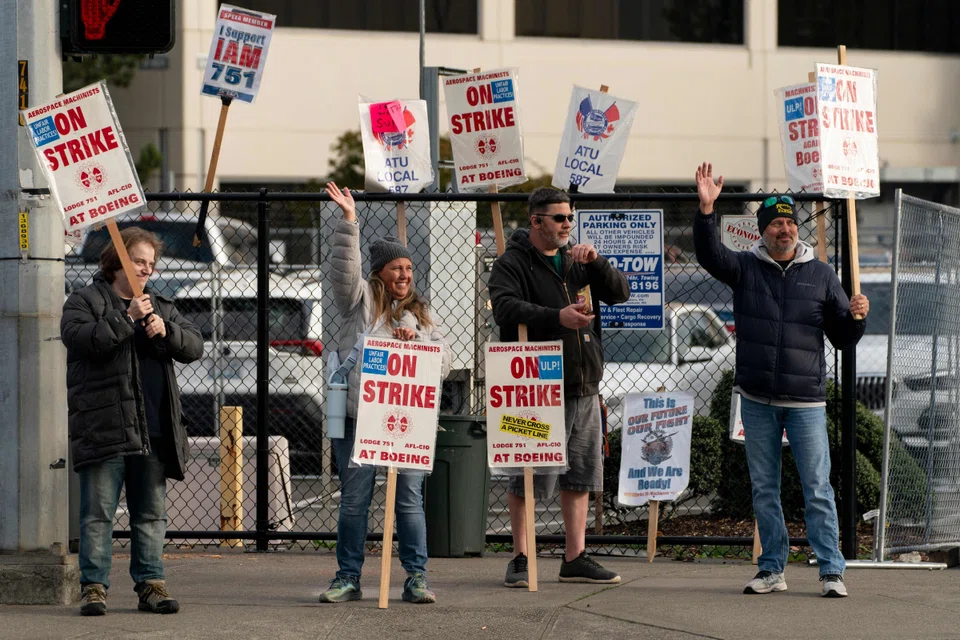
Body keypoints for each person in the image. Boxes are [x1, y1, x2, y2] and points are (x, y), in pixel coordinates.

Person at [693, 162, 870, 598]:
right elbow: (709, 255)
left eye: (790, 222)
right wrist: (706, 210)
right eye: (775, 223)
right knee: (764, 489)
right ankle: (772, 568)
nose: (784, 229)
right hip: (756, 399)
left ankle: (831, 571)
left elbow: (843, 339)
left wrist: (857, 318)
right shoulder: (744, 269)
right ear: (762, 231)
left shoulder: (822, 275)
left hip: (806, 400)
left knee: (816, 487)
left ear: (797, 229)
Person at [487, 187, 630, 587]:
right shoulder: (512, 263)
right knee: (528, 473)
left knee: (581, 474)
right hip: (539, 385)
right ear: (536, 221)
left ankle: (575, 556)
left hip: (584, 383)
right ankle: (520, 556)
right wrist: (556, 317)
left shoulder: (576, 262)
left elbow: (621, 292)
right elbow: (505, 308)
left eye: (570, 217)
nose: (568, 224)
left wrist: (598, 262)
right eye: (559, 218)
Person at [320, 182, 452, 604]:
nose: (405, 275)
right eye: (396, 268)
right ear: (379, 272)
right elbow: (343, 272)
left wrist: (418, 346)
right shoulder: (359, 303)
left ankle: (416, 578)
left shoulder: (421, 315)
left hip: (407, 424)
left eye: (409, 269)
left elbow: (443, 363)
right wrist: (349, 222)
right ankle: (348, 577)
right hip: (360, 419)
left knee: (409, 501)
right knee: (355, 502)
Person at [61, 227, 204, 616]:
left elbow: (195, 345)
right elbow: (81, 340)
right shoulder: (84, 300)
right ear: (116, 261)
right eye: (138, 261)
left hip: (153, 429)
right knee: (97, 514)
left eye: (150, 264)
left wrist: (168, 330)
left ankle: (151, 585)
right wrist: (127, 318)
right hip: (104, 425)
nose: (146, 269)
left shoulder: (161, 304)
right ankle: (94, 588)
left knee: (150, 514)